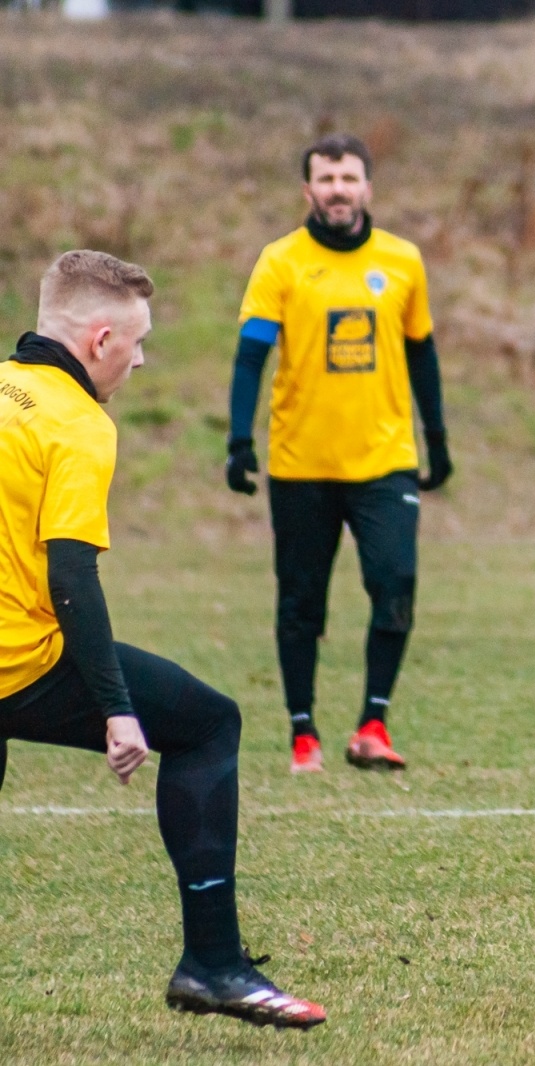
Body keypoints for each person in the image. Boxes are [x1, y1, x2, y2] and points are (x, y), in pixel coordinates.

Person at [0, 251, 324, 1028]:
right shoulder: (78, 425)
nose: (141, 359)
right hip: (19, 663)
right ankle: (212, 965)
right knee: (208, 723)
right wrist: (116, 707)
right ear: (100, 339)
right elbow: (71, 578)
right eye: (138, 343)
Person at [224, 133, 453, 774]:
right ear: (308, 191)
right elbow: (251, 357)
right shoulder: (280, 263)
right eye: (325, 180)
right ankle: (304, 735)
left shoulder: (402, 261)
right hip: (301, 465)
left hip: (384, 461)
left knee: (395, 582)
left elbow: (422, 354)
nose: (337, 190)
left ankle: (373, 725)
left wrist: (437, 439)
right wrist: (240, 441)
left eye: (348, 178)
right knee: (301, 603)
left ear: (367, 187)